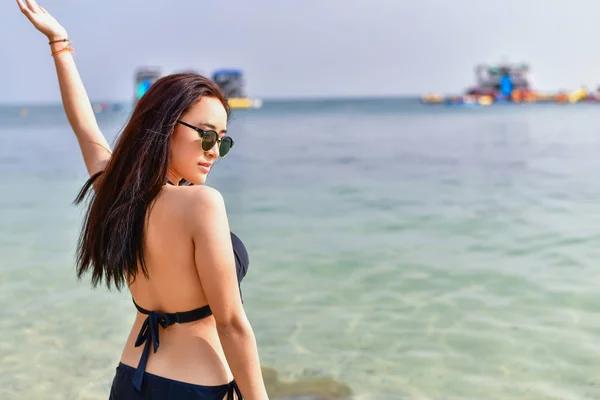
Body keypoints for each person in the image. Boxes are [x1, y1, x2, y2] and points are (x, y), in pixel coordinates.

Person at [16, 1, 269, 399]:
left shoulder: (119, 196)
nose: (213, 151)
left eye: (223, 140)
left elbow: (85, 128)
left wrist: (59, 45)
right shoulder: (203, 204)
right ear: (166, 126)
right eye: (205, 135)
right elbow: (232, 324)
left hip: (131, 377)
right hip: (195, 387)